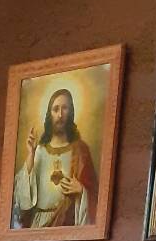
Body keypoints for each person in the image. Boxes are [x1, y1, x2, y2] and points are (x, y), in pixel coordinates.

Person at [13, 87, 97, 228]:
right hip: (39, 225)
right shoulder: (39, 150)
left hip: (68, 224)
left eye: (65, 108)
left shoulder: (80, 151)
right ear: (49, 114)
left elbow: (96, 196)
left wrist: (82, 191)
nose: (60, 114)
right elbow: (22, 199)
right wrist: (31, 154)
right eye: (55, 109)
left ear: (71, 112)